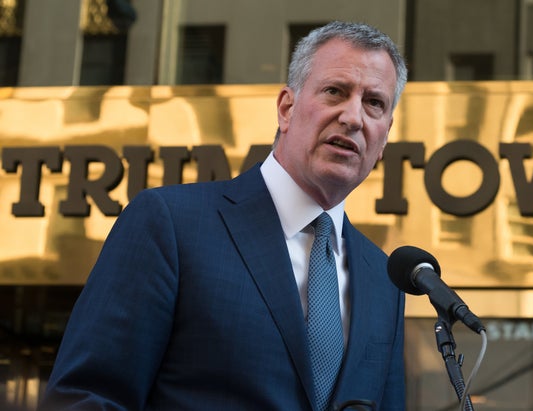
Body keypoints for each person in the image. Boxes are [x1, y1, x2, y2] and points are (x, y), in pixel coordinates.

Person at [39, 20, 408, 411]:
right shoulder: (170, 224)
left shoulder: (385, 280)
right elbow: (85, 399)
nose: (353, 117)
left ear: (384, 136)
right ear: (287, 108)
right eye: (335, 91)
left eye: (374, 103)